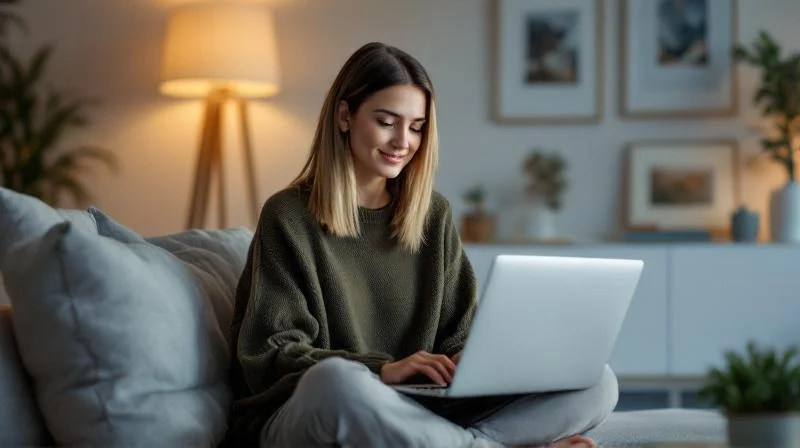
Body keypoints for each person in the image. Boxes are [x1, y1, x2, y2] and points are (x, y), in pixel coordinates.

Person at [226, 42, 618, 448]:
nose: (403, 141)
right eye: (386, 121)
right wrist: (381, 370)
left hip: (419, 412)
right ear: (345, 116)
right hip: (314, 411)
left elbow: (457, 334)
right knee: (336, 382)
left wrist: (477, 363)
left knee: (599, 383)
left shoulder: (434, 216)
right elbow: (271, 354)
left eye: (416, 127)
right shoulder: (289, 215)